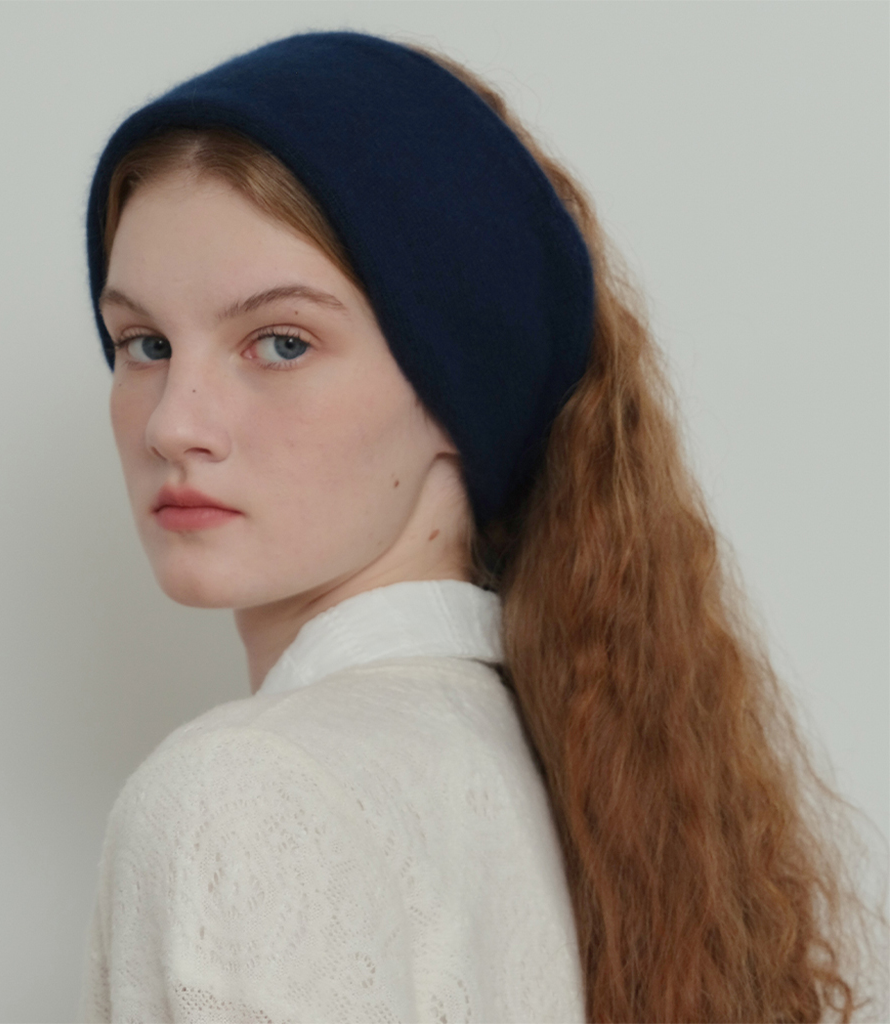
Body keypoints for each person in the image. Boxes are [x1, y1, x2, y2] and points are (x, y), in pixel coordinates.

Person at [78, 31, 885, 1024]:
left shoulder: (236, 796)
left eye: (280, 343)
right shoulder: (577, 780)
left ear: (454, 387)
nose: (173, 424)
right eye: (144, 343)